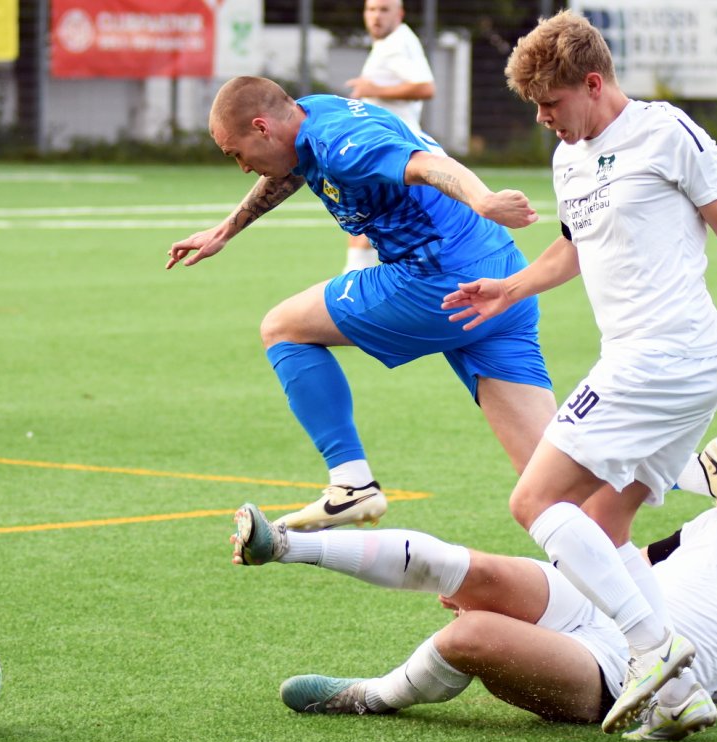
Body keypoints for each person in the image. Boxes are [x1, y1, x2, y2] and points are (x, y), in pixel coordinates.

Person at [440, 11, 717, 732]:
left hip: (664, 358)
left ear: (593, 83)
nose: (544, 119)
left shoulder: (669, 134)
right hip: (651, 363)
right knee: (602, 522)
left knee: (533, 501)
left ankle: (653, 648)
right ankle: (677, 694)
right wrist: (510, 286)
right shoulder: (568, 158)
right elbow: (575, 248)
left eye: (552, 104)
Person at [229, 441, 717, 740]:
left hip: (633, 675)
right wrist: (715, 475)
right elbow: (628, 550)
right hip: (605, 611)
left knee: (470, 636)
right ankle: (288, 542)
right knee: (481, 574)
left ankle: (368, 695)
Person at [165, 76, 558, 531]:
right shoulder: (311, 116)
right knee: (548, 484)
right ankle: (643, 559)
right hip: (502, 280)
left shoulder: (341, 141)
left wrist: (484, 199)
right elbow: (293, 169)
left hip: (439, 281)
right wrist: (225, 230)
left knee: (282, 327)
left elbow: (425, 165)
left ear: (262, 127)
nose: (243, 168)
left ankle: (352, 484)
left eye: (237, 153)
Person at [342, 0, 436, 273]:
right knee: (366, 221)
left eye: (384, 10)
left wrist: (373, 88)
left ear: (400, 14)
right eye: (371, 10)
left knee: (366, 220)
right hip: (389, 150)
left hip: (395, 151)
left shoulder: (397, 43)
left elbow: (426, 88)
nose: (376, 16)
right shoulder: (390, 43)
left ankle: (351, 287)